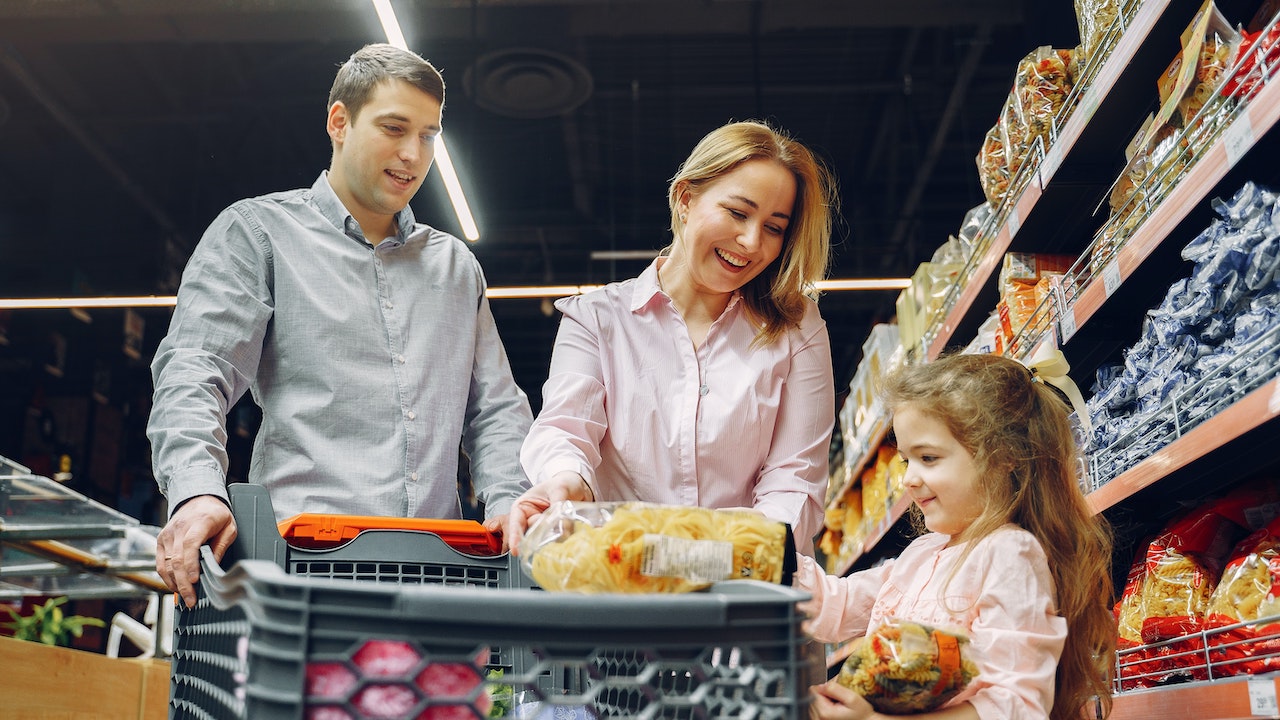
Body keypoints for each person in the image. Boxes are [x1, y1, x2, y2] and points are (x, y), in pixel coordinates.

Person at [148, 43, 533, 607]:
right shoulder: (258, 234)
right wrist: (196, 492)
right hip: (298, 576)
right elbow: (195, 370)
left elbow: (495, 408)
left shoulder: (454, 267)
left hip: (440, 578)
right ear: (339, 122)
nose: (413, 154)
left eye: (428, 135)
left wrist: (510, 501)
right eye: (394, 128)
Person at [507, 119, 837, 555]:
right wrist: (566, 482)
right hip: (621, 579)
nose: (752, 241)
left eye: (774, 227)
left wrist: (714, 556)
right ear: (685, 198)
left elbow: (795, 479)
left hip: (746, 588)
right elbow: (566, 429)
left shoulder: (797, 328)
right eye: (738, 212)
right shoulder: (597, 319)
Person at [802, 353, 1115, 720]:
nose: (908, 479)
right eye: (906, 460)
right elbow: (837, 606)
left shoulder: (1010, 554)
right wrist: (763, 556)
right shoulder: (922, 554)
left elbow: (1015, 706)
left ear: (1004, 457)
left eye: (928, 458)